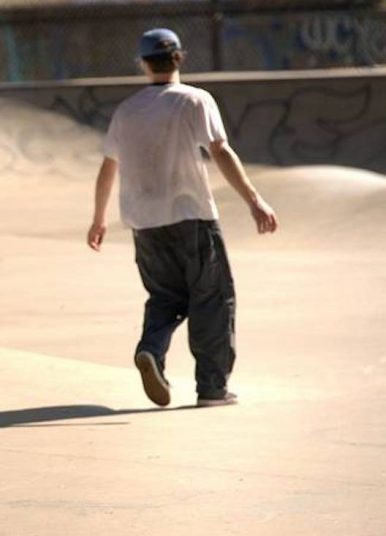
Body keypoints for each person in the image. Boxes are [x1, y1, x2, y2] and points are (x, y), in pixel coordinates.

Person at [87, 28, 279, 408]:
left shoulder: (127, 111)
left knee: (165, 297)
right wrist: (254, 200)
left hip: (144, 223)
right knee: (212, 299)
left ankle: (151, 349)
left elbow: (108, 167)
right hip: (192, 217)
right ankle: (212, 388)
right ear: (180, 58)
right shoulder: (195, 100)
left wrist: (98, 219)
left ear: (143, 63)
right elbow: (220, 151)